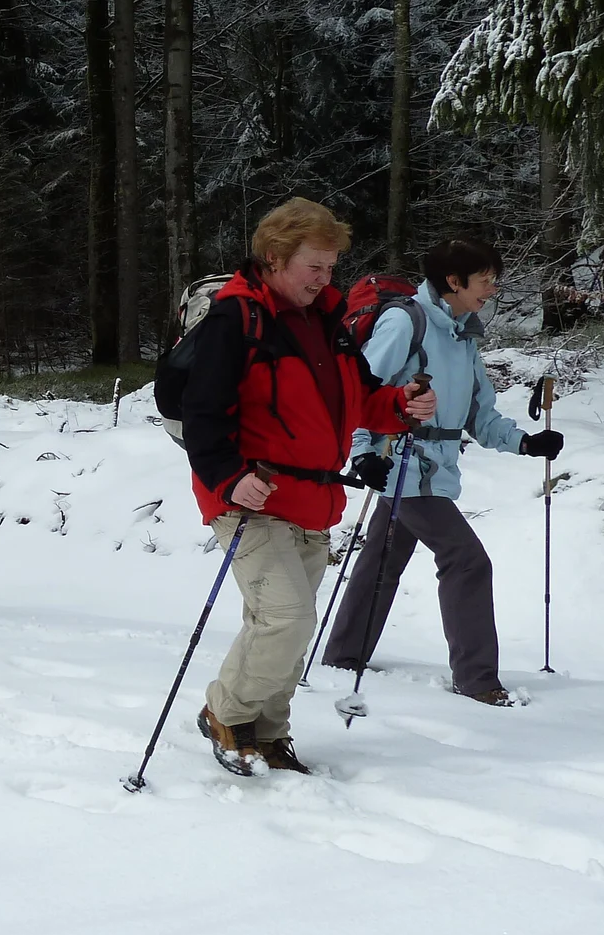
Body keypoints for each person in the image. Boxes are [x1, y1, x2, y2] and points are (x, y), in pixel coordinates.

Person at [178, 198, 438, 776]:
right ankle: (225, 714)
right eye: (313, 267)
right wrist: (229, 477)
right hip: (253, 497)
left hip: (314, 500)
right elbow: (202, 413)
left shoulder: (328, 323)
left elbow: (361, 398)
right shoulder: (236, 320)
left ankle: (267, 733)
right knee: (287, 618)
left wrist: (401, 405)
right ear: (273, 259)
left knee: (282, 626)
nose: (325, 279)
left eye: (330, 268)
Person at [320, 237, 564, 705]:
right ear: (454, 281)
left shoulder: (462, 333)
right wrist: (362, 452)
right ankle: (478, 681)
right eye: (486, 279)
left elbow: (479, 414)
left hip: (431, 470)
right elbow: (359, 393)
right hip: (402, 465)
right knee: (468, 561)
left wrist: (526, 442)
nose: (493, 288)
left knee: (383, 559)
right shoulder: (403, 322)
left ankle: (345, 655)